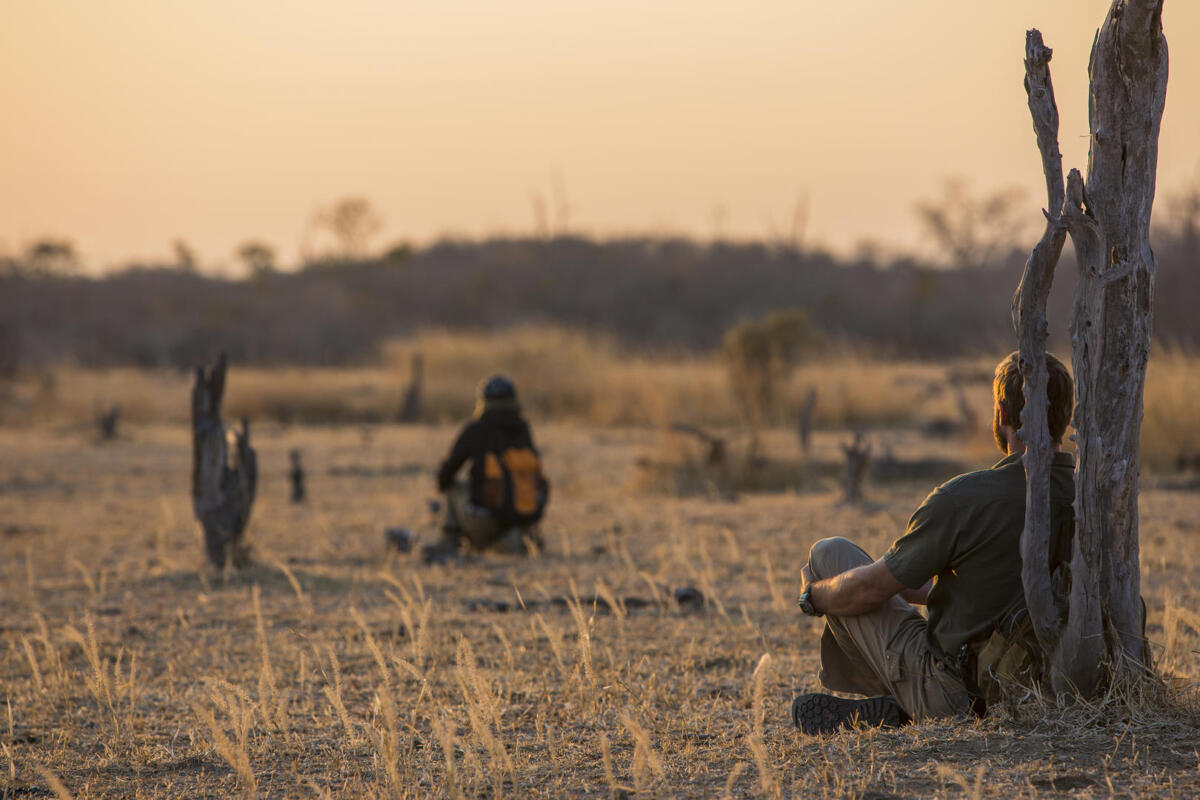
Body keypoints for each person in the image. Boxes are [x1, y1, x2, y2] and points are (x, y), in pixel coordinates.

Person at [791, 351, 1076, 734]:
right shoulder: (1089, 497)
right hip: (1062, 686)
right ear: (1065, 418)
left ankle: (907, 705)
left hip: (959, 695)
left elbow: (870, 590)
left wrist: (814, 596)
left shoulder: (965, 497)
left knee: (829, 554)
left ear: (1002, 414)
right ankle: (901, 705)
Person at [426, 375, 549, 561]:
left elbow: (446, 475)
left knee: (453, 488)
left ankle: (448, 542)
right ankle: (519, 539)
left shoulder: (476, 430)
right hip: (523, 519)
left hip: (486, 522)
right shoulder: (523, 429)